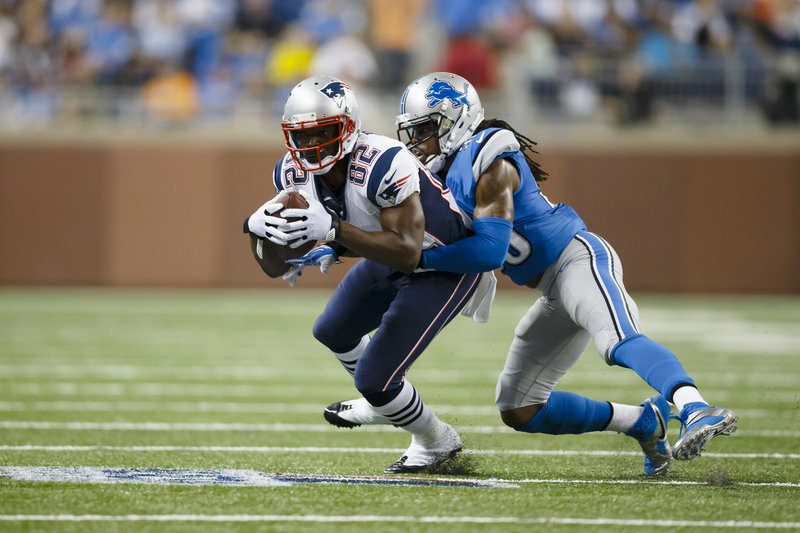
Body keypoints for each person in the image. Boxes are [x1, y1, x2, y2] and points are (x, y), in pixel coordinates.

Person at [332, 72, 738, 476]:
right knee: (519, 408)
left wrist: (419, 261)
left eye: (425, 129)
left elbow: (490, 250)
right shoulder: (439, 176)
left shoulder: (490, 157)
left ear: (457, 118)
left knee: (616, 341)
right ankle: (641, 421)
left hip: (577, 261)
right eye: (412, 132)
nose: (418, 142)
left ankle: (695, 407)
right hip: (549, 289)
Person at [243, 75, 490, 474]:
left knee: (375, 379)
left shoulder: (383, 160)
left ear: (348, 126)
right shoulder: (290, 175)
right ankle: (385, 400)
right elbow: (274, 267)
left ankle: (435, 440)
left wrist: (336, 232)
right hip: (386, 253)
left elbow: (409, 253)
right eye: (300, 137)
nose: (310, 146)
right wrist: (254, 230)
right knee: (332, 331)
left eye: (322, 133)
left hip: (444, 260)